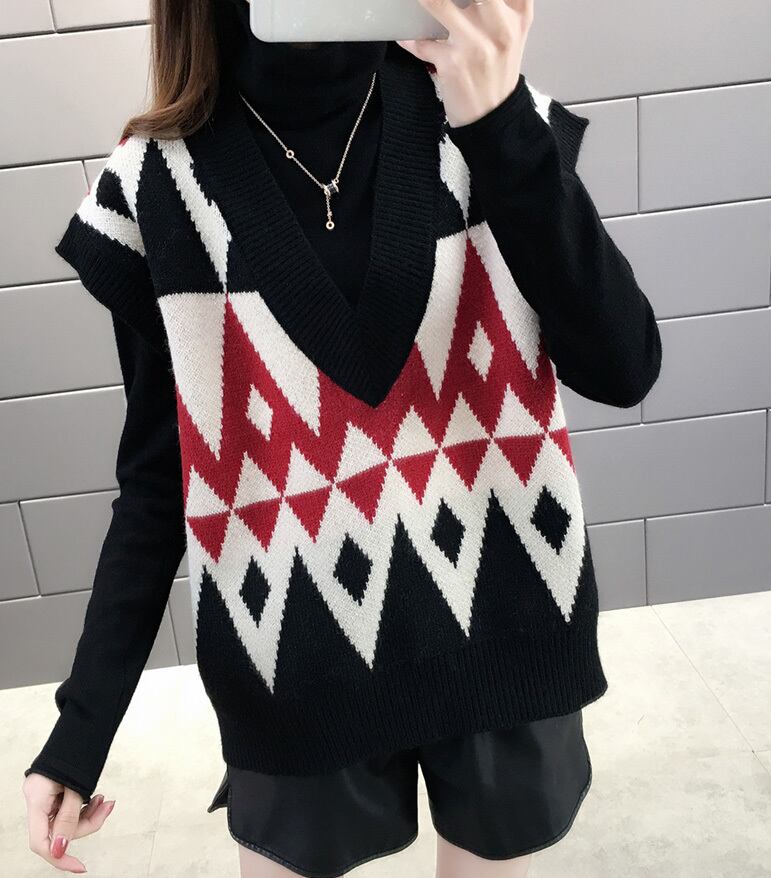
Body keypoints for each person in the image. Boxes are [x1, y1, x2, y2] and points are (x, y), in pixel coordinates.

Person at [21, 0, 662, 875]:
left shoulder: (483, 114)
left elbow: (623, 367)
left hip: (505, 625)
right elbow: (160, 479)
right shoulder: (153, 188)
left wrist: (500, 122)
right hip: (289, 661)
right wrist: (80, 731)